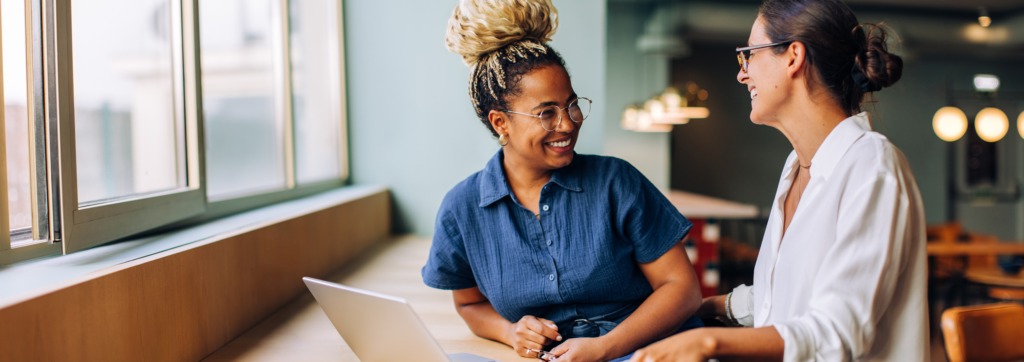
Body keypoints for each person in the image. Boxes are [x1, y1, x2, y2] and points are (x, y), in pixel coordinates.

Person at [630, 0, 929, 361]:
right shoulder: (795, 167)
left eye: (749, 55)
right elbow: (785, 296)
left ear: (793, 57)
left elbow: (836, 333)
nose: (742, 74)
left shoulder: (872, 166)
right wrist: (709, 308)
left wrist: (706, 343)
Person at [421, 1, 705, 361]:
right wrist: (511, 333)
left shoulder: (616, 182)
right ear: (500, 123)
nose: (568, 124)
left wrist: (605, 348)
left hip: (651, 351)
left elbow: (681, 289)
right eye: (547, 113)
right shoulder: (461, 209)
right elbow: (469, 303)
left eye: (571, 105)